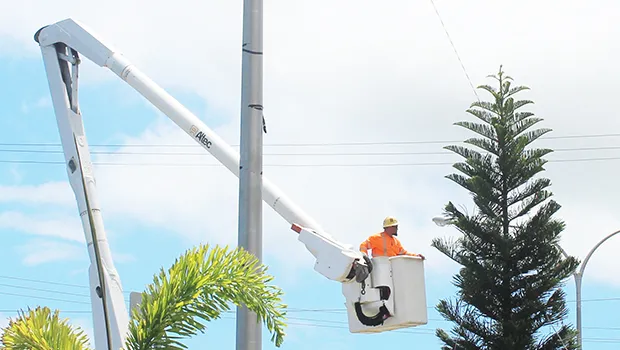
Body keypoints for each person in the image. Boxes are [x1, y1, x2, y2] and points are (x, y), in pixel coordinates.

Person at [359, 216, 425, 259]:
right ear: (389, 228)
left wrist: (416, 256)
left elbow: (404, 253)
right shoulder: (377, 238)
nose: (397, 229)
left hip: (392, 269)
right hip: (380, 268)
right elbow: (363, 246)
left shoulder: (396, 242)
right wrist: (364, 258)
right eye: (395, 227)